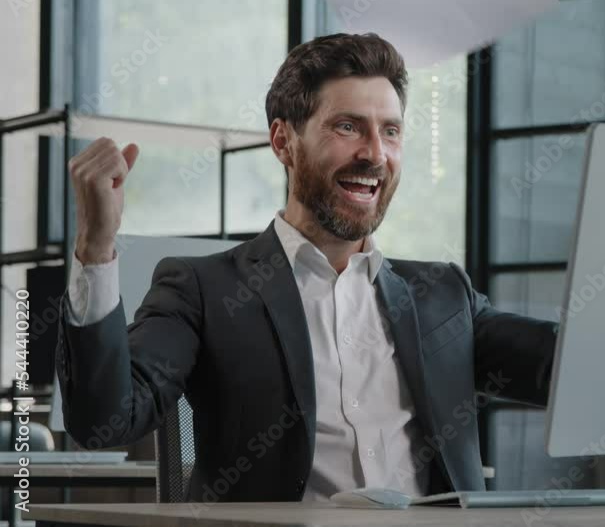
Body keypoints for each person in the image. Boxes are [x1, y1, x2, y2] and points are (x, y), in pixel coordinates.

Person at [57, 33, 558, 503]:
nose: (375, 154)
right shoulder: (204, 290)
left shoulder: (442, 293)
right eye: (348, 127)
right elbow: (105, 420)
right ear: (283, 142)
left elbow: (564, 370)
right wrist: (96, 247)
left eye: (390, 131)